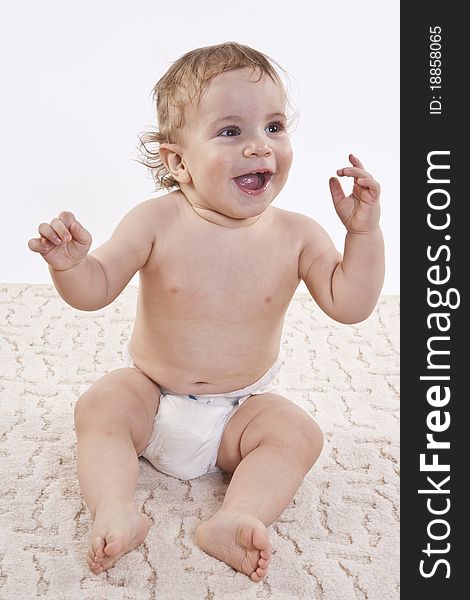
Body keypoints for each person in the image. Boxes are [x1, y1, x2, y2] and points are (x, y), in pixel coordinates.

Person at [28, 42, 384, 582]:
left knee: (297, 434)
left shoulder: (298, 235)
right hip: (152, 395)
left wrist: (362, 232)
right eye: (230, 132)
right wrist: (70, 265)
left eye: (274, 127)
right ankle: (114, 506)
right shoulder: (155, 222)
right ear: (177, 161)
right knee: (101, 405)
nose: (258, 147)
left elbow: (351, 305)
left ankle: (236, 516)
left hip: (237, 414)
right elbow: (93, 289)